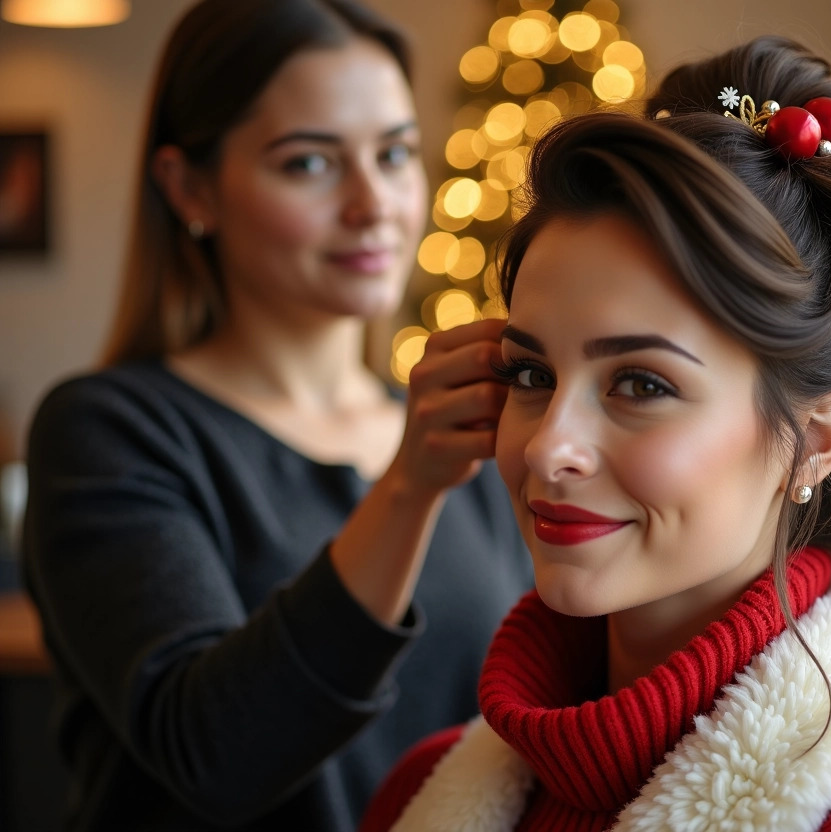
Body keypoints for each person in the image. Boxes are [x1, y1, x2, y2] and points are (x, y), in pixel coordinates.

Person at [361, 36, 831, 832]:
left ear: (815, 441)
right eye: (531, 375)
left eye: (642, 385)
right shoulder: (416, 796)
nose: (550, 447)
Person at [21, 1, 532, 829]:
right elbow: (218, 755)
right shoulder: (109, 431)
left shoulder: (465, 439)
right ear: (189, 187)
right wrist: (407, 488)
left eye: (395, 153)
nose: (374, 204)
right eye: (309, 164)